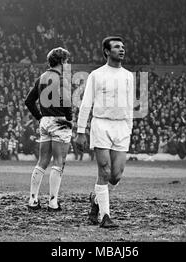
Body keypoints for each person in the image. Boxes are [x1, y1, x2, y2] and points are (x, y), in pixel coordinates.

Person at [75, 36, 134, 228]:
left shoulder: (128, 76)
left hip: (122, 127)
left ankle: (95, 199)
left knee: (116, 175)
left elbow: (130, 105)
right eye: (117, 47)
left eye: (123, 47)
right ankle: (105, 216)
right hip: (101, 125)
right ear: (107, 51)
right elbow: (86, 104)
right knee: (105, 171)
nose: (122, 49)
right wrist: (81, 131)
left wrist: (129, 128)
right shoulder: (96, 75)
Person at [24, 47, 72, 211]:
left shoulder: (42, 78)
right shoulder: (62, 79)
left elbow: (29, 101)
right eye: (66, 61)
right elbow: (66, 104)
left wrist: (40, 117)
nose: (67, 64)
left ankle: (33, 200)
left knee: (42, 161)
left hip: (45, 122)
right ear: (61, 62)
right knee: (58, 162)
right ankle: (53, 202)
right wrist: (70, 119)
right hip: (60, 122)